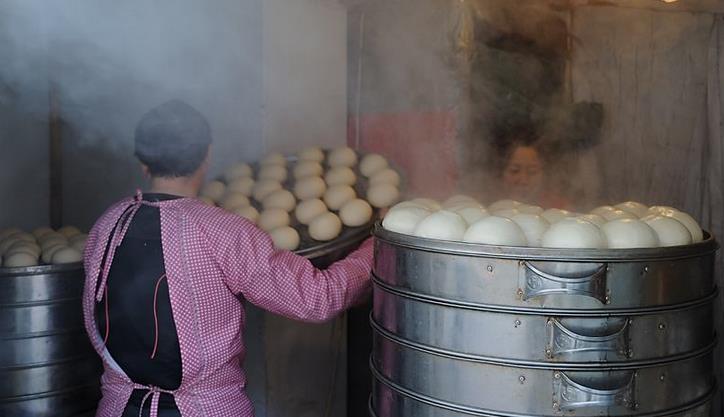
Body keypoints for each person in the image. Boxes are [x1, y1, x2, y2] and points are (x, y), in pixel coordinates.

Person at [82, 100, 374, 417]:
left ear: (144, 164)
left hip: (117, 408)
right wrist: (376, 248)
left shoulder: (108, 223)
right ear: (207, 156)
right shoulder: (220, 230)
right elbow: (317, 298)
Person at [496, 131, 570, 210]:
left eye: (532, 172)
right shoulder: (488, 206)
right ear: (502, 172)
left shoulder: (558, 209)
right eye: (515, 171)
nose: (524, 180)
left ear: (543, 174)